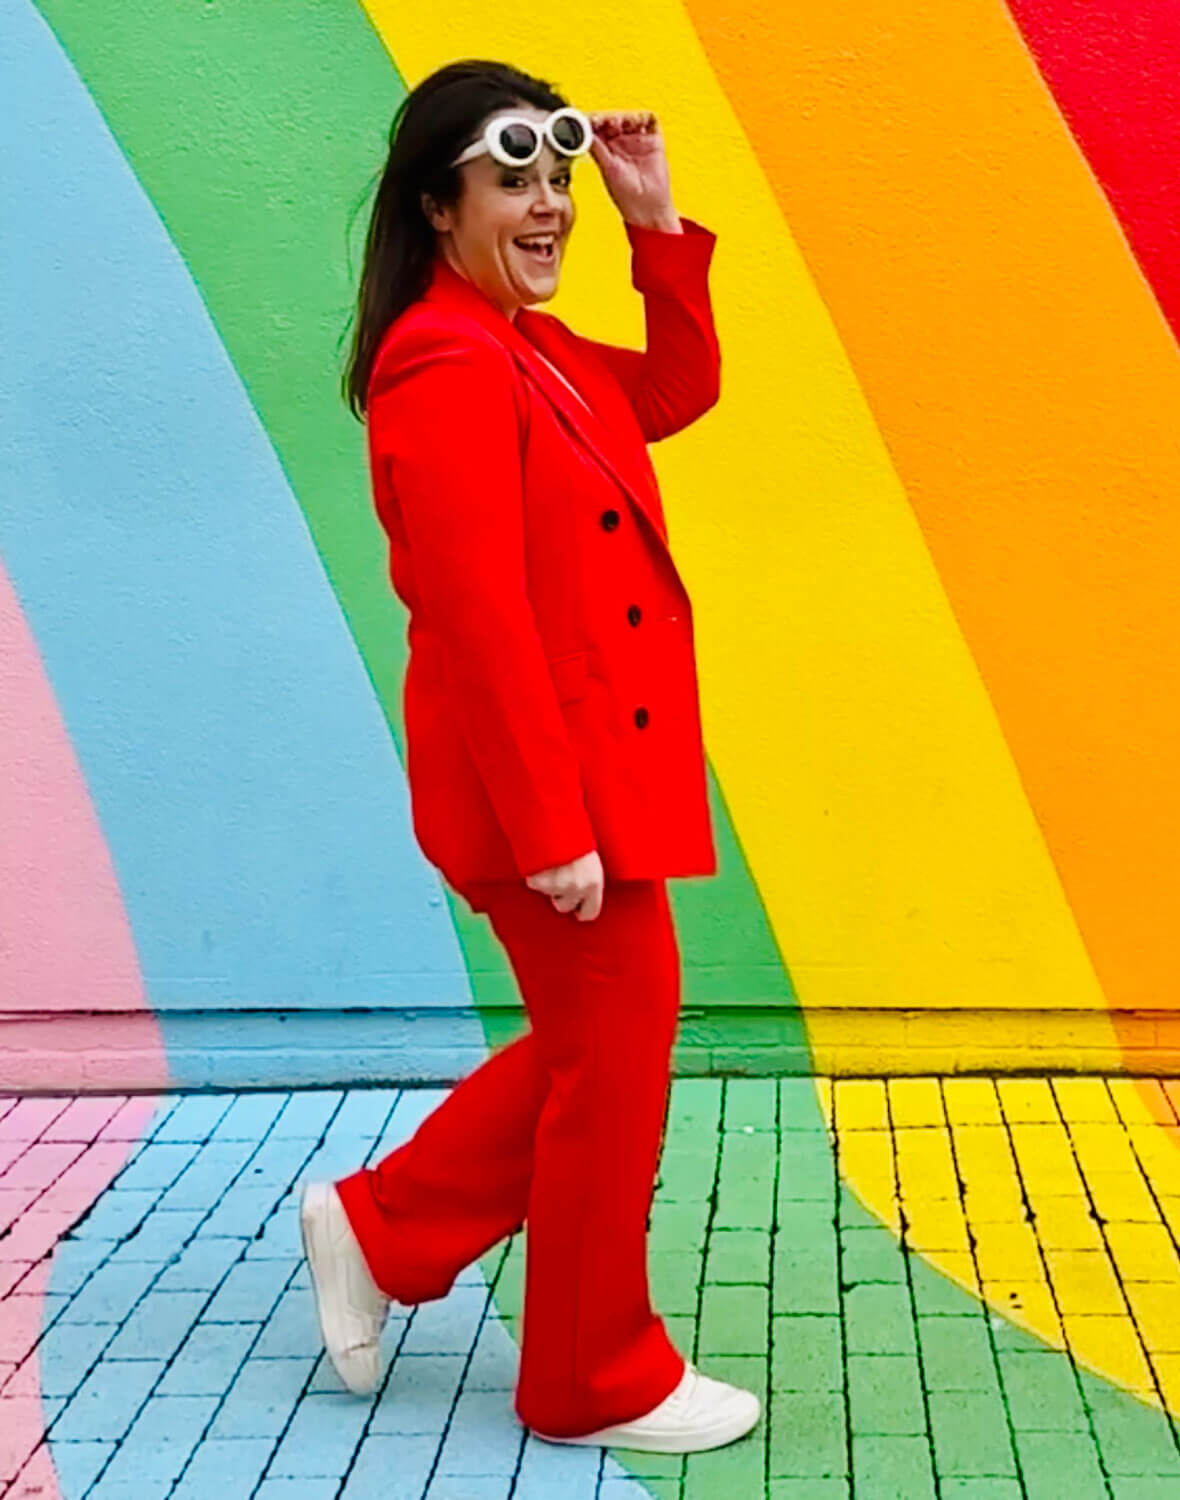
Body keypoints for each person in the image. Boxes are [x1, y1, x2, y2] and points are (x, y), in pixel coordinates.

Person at [296, 59, 759, 1454]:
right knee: (612, 1063)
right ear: (440, 209)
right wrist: (552, 827)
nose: (549, 205)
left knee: (594, 1047)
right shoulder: (442, 360)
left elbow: (677, 386)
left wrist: (650, 219)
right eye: (518, 181)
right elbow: (476, 615)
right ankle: (588, 1377)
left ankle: (378, 1228)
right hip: (545, 797)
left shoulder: (533, 350)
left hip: (593, 781)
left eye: (555, 178)